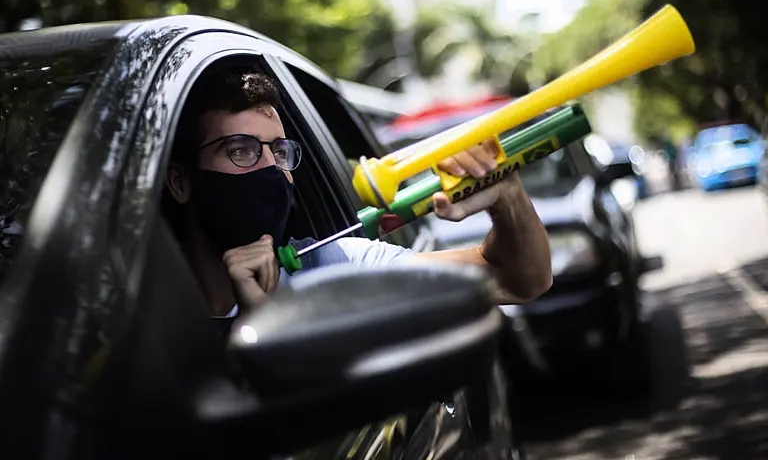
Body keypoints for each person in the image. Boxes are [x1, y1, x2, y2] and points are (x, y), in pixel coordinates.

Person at [162, 67, 552, 324]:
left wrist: (507, 195)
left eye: (280, 152)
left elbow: (518, 280)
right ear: (180, 181)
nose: (270, 168)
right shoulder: (141, 320)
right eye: (241, 149)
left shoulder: (332, 266)